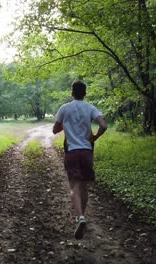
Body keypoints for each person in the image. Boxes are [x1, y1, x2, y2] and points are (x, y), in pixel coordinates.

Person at [53, 80, 107, 240]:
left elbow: (55, 129)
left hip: (71, 151)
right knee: (84, 186)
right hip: (87, 151)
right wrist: (95, 137)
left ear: (72, 93)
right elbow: (103, 125)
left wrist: (65, 124)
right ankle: (81, 216)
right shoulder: (90, 108)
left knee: (74, 186)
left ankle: (80, 217)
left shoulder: (65, 108)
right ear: (85, 93)